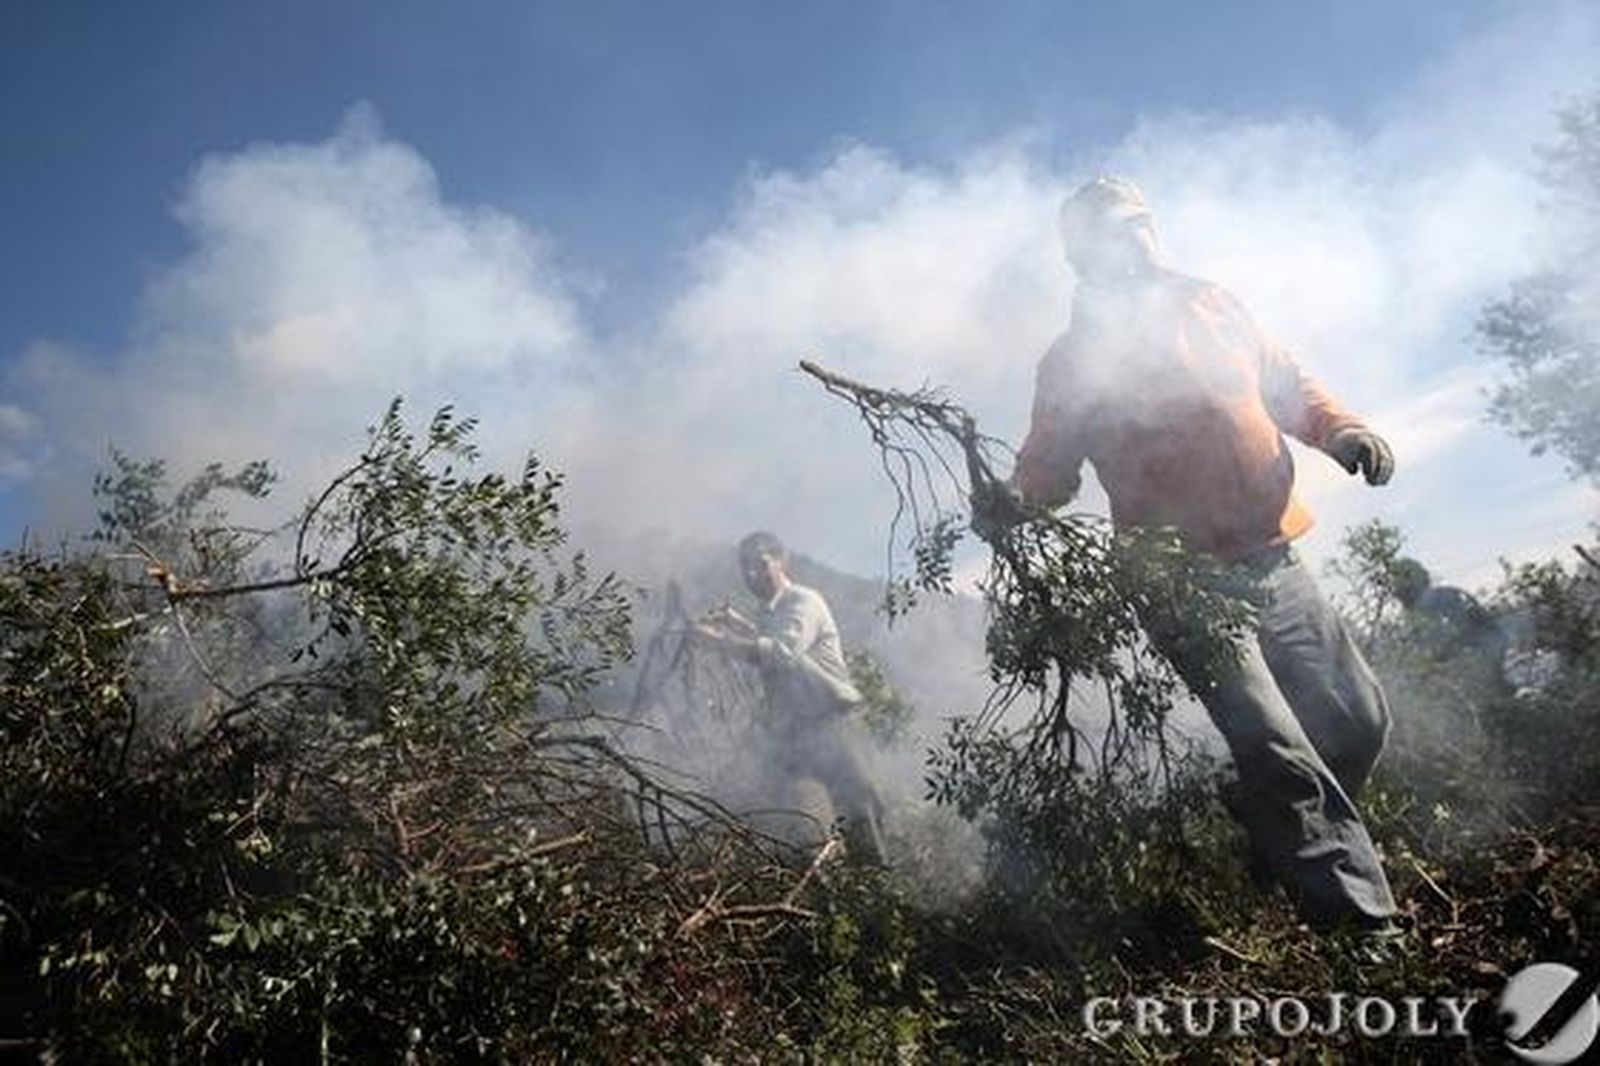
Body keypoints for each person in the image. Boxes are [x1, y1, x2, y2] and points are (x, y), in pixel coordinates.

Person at [1002, 176, 1400, 933]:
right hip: (1178, 582)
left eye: (1135, 225)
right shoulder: (1072, 362)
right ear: (1079, 258)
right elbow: (1047, 474)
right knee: (1278, 746)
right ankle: (1360, 926)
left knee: (1356, 721)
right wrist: (1011, 501)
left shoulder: (1214, 303)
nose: (1127, 243)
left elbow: (1288, 387)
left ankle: (1269, 820)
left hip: (1273, 557)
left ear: (1151, 228)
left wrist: (1341, 431)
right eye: (1106, 235)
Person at [692, 532, 887, 863]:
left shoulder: (804, 601)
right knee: (793, 817)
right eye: (745, 568)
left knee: (860, 812)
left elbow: (781, 653)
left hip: (833, 722)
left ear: (782, 561)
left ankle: (877, 894)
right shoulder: (771, 612)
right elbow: (772, 639)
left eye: (760, 564)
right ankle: (827, 885)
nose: (752, 574)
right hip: (798, 731)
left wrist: (716, 641)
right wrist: (737, 624)